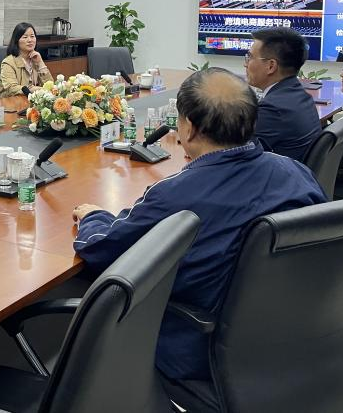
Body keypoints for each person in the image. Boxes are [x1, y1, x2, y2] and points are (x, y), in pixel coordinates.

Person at [72, 68, 325, 383]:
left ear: (189, 128)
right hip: (285, 339)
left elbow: (102, 251)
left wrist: (94, 217)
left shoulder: (175, 195)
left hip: (193, 349)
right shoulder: (297, 173)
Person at [244, 27, 321, 161]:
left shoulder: (273, 109)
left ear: (271, 66)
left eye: (249, 57)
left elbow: (237, 152)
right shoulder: (300, 95)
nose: (245, 64)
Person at [0, 22, 52, 96]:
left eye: (32, 36)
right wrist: (32, 89)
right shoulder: (8, 62)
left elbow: (50, 86)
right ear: (17, 40)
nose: (30, 40)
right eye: (25, 37)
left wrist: (40, 63)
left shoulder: (35, 59)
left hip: (30, 99)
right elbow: (11, 88)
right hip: (8, 100)